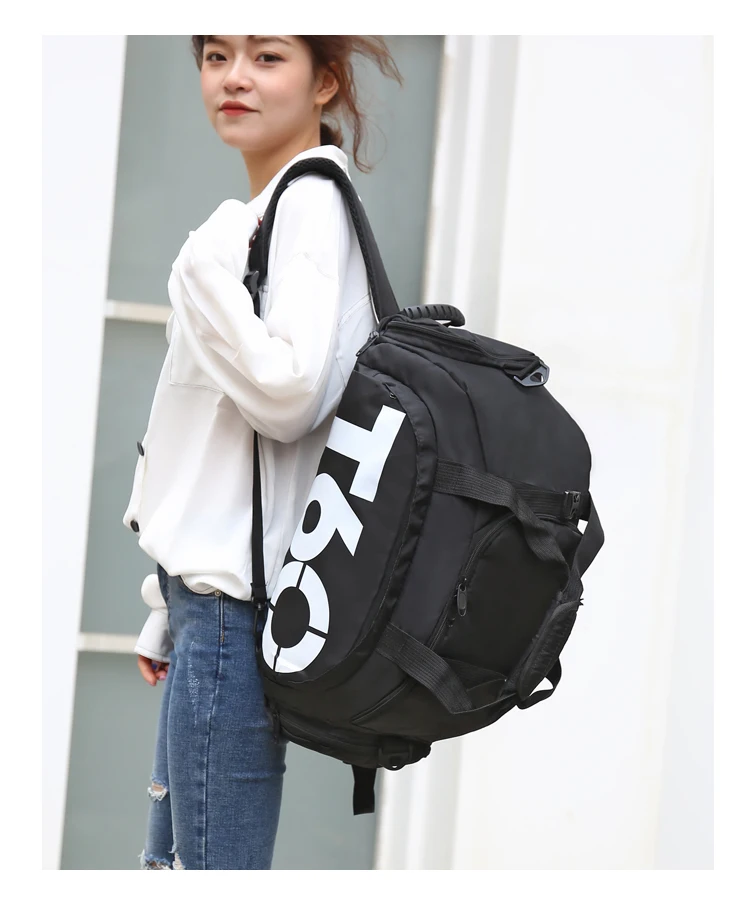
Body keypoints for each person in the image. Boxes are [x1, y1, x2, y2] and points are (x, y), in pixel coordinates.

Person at [124, 35, 403, 870]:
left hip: (231, 613)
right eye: (216, 56)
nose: (234, 78)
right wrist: (167, 600)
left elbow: (288, 397)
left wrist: (198, 275)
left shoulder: (309, 203)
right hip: (207, 605)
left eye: (267, 57)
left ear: (325, 82)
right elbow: (217, 437)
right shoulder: (272, 209)